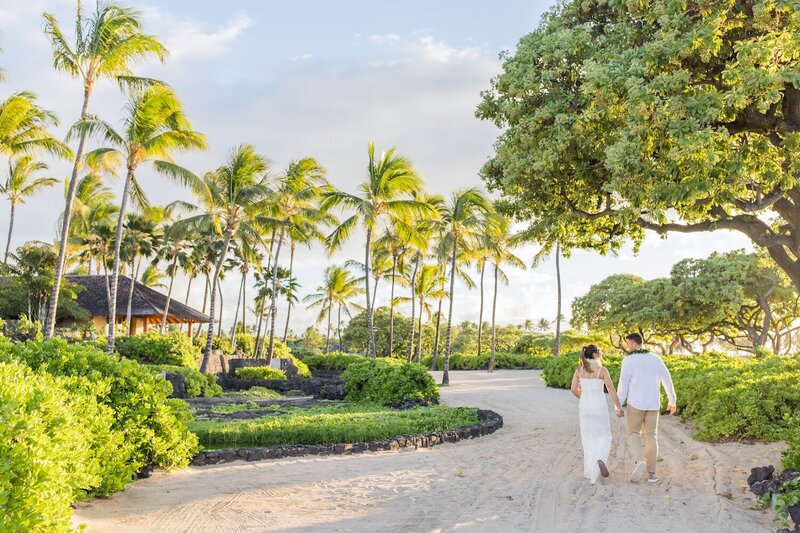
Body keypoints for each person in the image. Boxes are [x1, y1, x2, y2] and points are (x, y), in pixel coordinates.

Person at [618, 333, 677, 484]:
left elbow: (623, 384)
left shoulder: (628, 360)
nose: (628, 347)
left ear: (632, 343)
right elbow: (667, 380)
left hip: (635, 403)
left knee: (633, 433)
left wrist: (618, 404)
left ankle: (639, 461)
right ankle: (652, 473)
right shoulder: (655, 359)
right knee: (651, 435)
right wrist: (672, 401)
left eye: (628, 344)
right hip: (652, 404)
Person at [570, 344, 624, 485]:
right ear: (594, 355)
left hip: (585, 407)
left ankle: (591, 470)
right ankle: (599, 458)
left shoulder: (579, 370)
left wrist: (583, 397)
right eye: (599, 352)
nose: (601, 353)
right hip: (599, 406)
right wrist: (618, 407)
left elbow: (573, 389)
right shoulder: (602, 371)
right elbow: (611, 390)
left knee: (588, 438)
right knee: (604, 435)